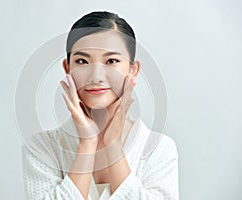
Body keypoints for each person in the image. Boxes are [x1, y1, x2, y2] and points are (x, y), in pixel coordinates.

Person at [22, 11, 179, 200]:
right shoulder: (42, 147)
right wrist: (87, 144)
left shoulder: (158, 149)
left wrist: (113, 146)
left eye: (111, 61)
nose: (96, 76)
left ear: (133, 70)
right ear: (67, 68)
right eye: (82, 61)